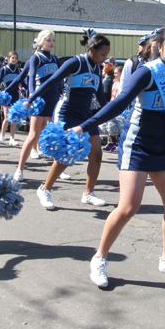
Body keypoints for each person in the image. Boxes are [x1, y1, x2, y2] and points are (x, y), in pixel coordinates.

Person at [72, 22, 165, 288]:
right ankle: (99, 258)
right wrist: (84, 126)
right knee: (128, 207)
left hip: (164, 148)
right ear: (160, 46)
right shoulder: (147, 72)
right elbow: (118, 104)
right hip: (136, 146)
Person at [29, 31, 111, 210]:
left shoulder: (97, 68)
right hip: (67, 113)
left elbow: (100, 96)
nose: (105, 59)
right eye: (103, 54)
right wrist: (31, 97)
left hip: (86, 115)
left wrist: (113, 112)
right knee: (67, 154)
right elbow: (51, 81)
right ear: (92, 50)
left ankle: (88, 194)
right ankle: (44, 189)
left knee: (96, 154)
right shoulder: (76, 62)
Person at [5, 30, 61, 181]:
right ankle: (20, 169)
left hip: (53, 99)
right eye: (48, 40)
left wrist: (62, 95)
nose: (51, 43)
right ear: (42, 41)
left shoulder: (55, 59)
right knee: (33, 135)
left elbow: (59, 81)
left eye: (53, 40)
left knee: (54, 135)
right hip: (40, 98)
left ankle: (58, 169)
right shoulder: (36, 58)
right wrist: (31, 95)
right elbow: (30, 78)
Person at [0, 51, 23, 145]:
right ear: (8, 58)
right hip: (6, 96)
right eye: (12, 58)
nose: (14, 59)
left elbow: (22, 82)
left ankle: (12, 138)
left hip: (15, 95)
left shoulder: (18, 70)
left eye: (15, 58)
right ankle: (2, 135)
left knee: (14, 118)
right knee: (6, 117)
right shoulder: (4, 69)